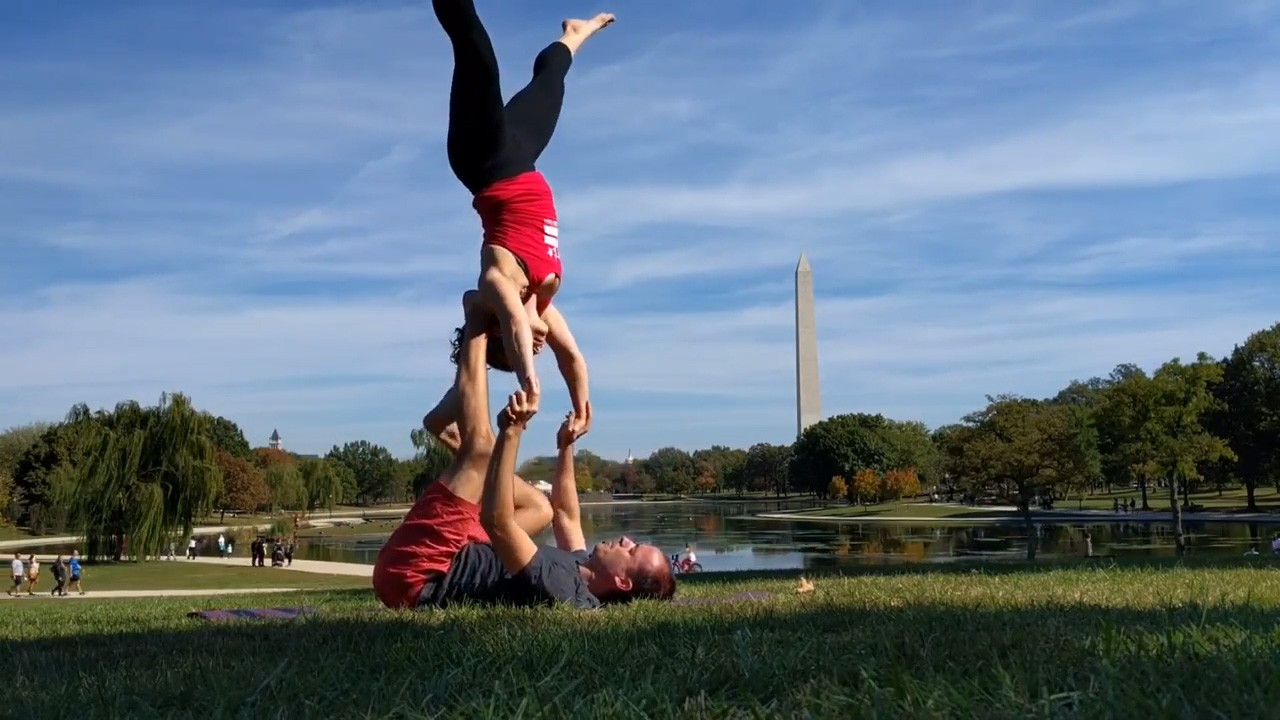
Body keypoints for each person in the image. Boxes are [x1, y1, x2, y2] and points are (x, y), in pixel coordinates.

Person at [373, 312, 673, 610]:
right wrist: (566, 445)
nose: (625, 539)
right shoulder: (583, 564)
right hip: (455, 553)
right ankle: (455, 421)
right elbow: (566, 514)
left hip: (416, 573)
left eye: (632, 551)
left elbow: (497, 521)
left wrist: (512, 432)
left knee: (480, 451)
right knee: (541, 507)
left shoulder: (562, 588)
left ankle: (476, 323)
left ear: (622, 581)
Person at [430, 0, 614, 418]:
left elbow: (516, 324)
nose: (534, 347)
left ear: (497, 330)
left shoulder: (500, 285)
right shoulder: (544, 302)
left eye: (516, 353)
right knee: (551, 81)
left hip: (482, 159)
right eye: (528, 354)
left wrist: (529, 384)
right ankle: (574, 33)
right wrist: (581, 406)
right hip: (521, 157)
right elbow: (572, 357)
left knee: (477, 54)